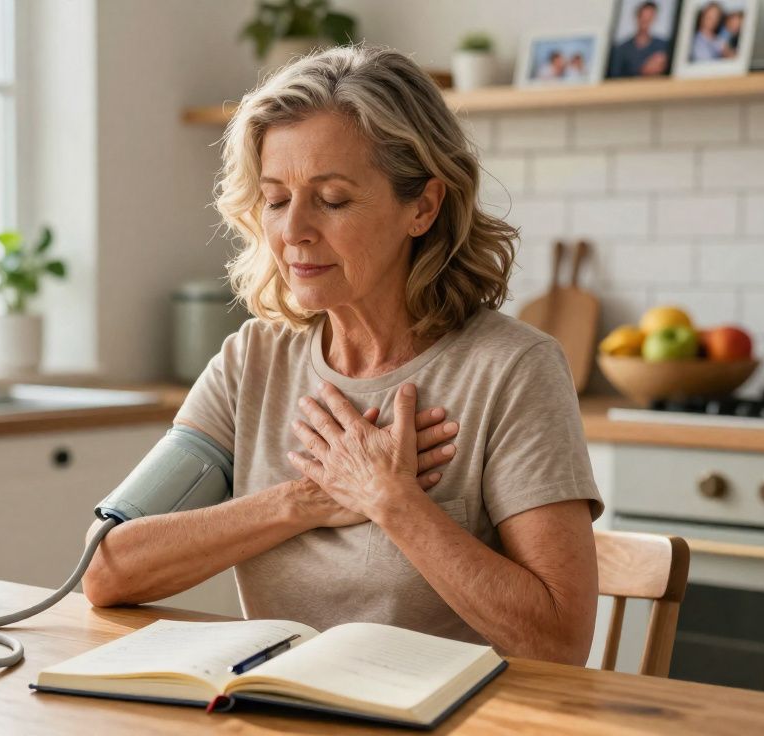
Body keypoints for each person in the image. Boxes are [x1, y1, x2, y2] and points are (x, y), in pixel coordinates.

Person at [82, 46, 603, 665]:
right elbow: (107, 569)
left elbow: (560, 640)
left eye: (331, 199)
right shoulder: (255, 360)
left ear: (423, 207)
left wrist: (392, 499)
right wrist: (304, 500)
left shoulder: (513, 369)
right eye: (276, 199)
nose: (294, 230)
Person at [608, 0, 672, 77]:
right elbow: (614, 79)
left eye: (649, 18)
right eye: (643, 17)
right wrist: (643, 71)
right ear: (637, 17)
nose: (646, 21)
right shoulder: (621, 49)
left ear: (654, 19)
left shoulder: (663, 46)